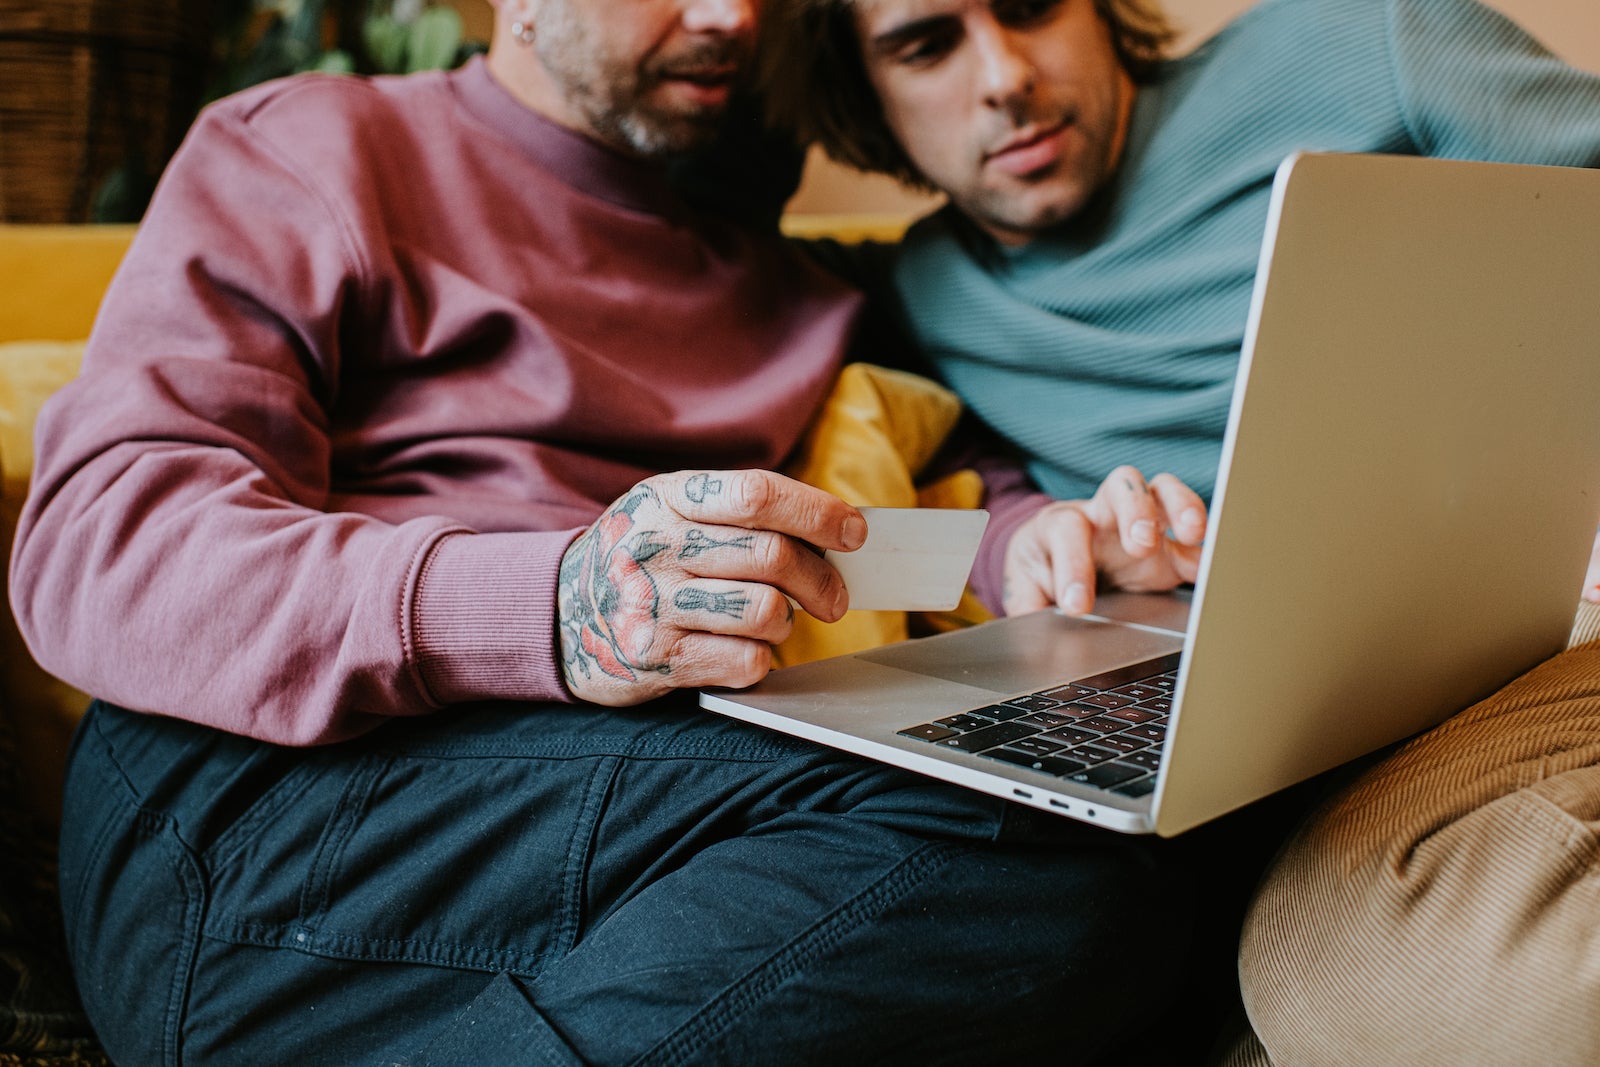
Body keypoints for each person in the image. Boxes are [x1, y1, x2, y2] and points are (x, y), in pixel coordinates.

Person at [8, 0, 1232, 1063]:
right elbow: (105, 539)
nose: (730, 19)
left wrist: (1044, 543)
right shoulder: (321, 149)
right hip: (271, 801)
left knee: (1142, 831)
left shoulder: (799, 285)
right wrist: (553, 605)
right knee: (1017, 844)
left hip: (622, 799)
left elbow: (943, 494)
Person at [760, 0, 1600, 1060]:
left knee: (1365, 965)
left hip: (1547, 603)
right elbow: (944, 466)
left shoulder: (1365, 42)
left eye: (1029, 7)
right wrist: (1035, 534)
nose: (1005, 75)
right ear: (864, 98)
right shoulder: (920, 293)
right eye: (927, 45)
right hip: (1295, 691)